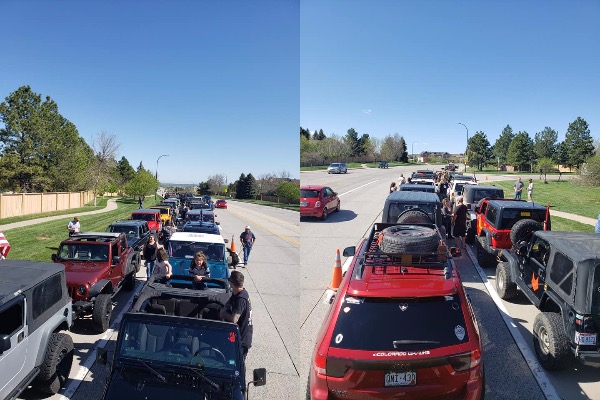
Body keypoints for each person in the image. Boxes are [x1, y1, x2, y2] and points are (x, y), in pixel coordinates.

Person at [220, 270, 253, 366]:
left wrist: (223, 314)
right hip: (239, 336)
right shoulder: (239, 294)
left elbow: (234, 319)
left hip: (242, 339)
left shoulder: (241, 299)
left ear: (232, 283)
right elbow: (228, 303)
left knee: (238, 364)